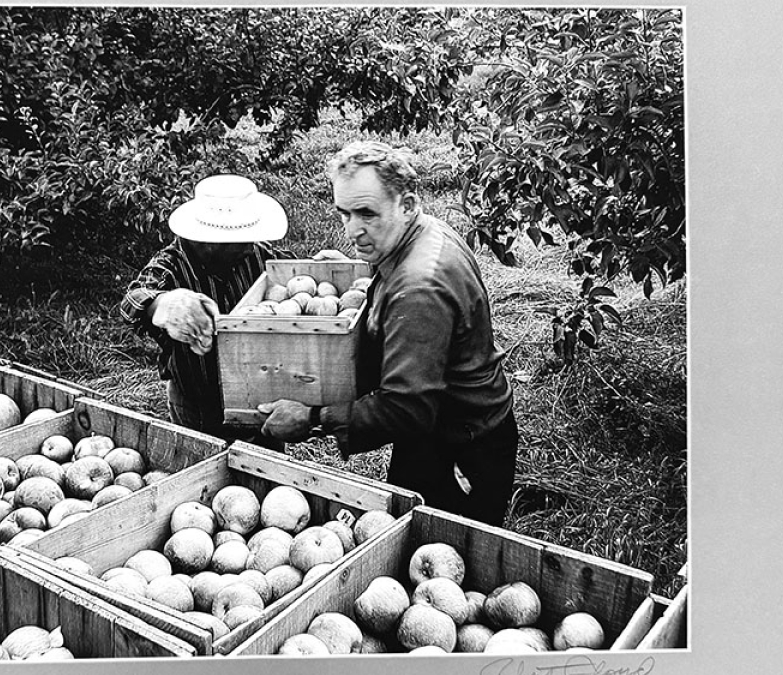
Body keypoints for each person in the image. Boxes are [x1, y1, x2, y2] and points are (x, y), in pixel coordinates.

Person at [257, 141, 519, 526]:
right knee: (407, 520)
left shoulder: (419, 290)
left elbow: (405, 409)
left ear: (407, 205)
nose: (352, 230)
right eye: (344, 213)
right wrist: (361, 270)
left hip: (462, 443)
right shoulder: (423, 233)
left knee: (444, 545)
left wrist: (312, 418)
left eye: (367, 213)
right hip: (441, 424)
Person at [119, 174, 310, 443]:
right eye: (241, 241)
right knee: (201, 463)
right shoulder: (172, 265)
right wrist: (164, 304)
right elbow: (134, 299)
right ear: (209, 241)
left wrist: (316, 267)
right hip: (198, 405)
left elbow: (292, 271)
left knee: (264, 463)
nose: (250, 247)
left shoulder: (256, 254)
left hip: (258, 394)